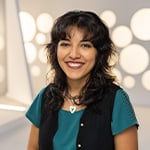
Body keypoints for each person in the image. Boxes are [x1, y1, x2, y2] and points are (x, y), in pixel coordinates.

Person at [26, 10, 139, 150]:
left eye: (85, 45)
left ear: (100, 53)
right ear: (55, 50)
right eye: (65, 44)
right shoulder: (44, 97)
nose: (73, 54)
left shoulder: (116, 100)